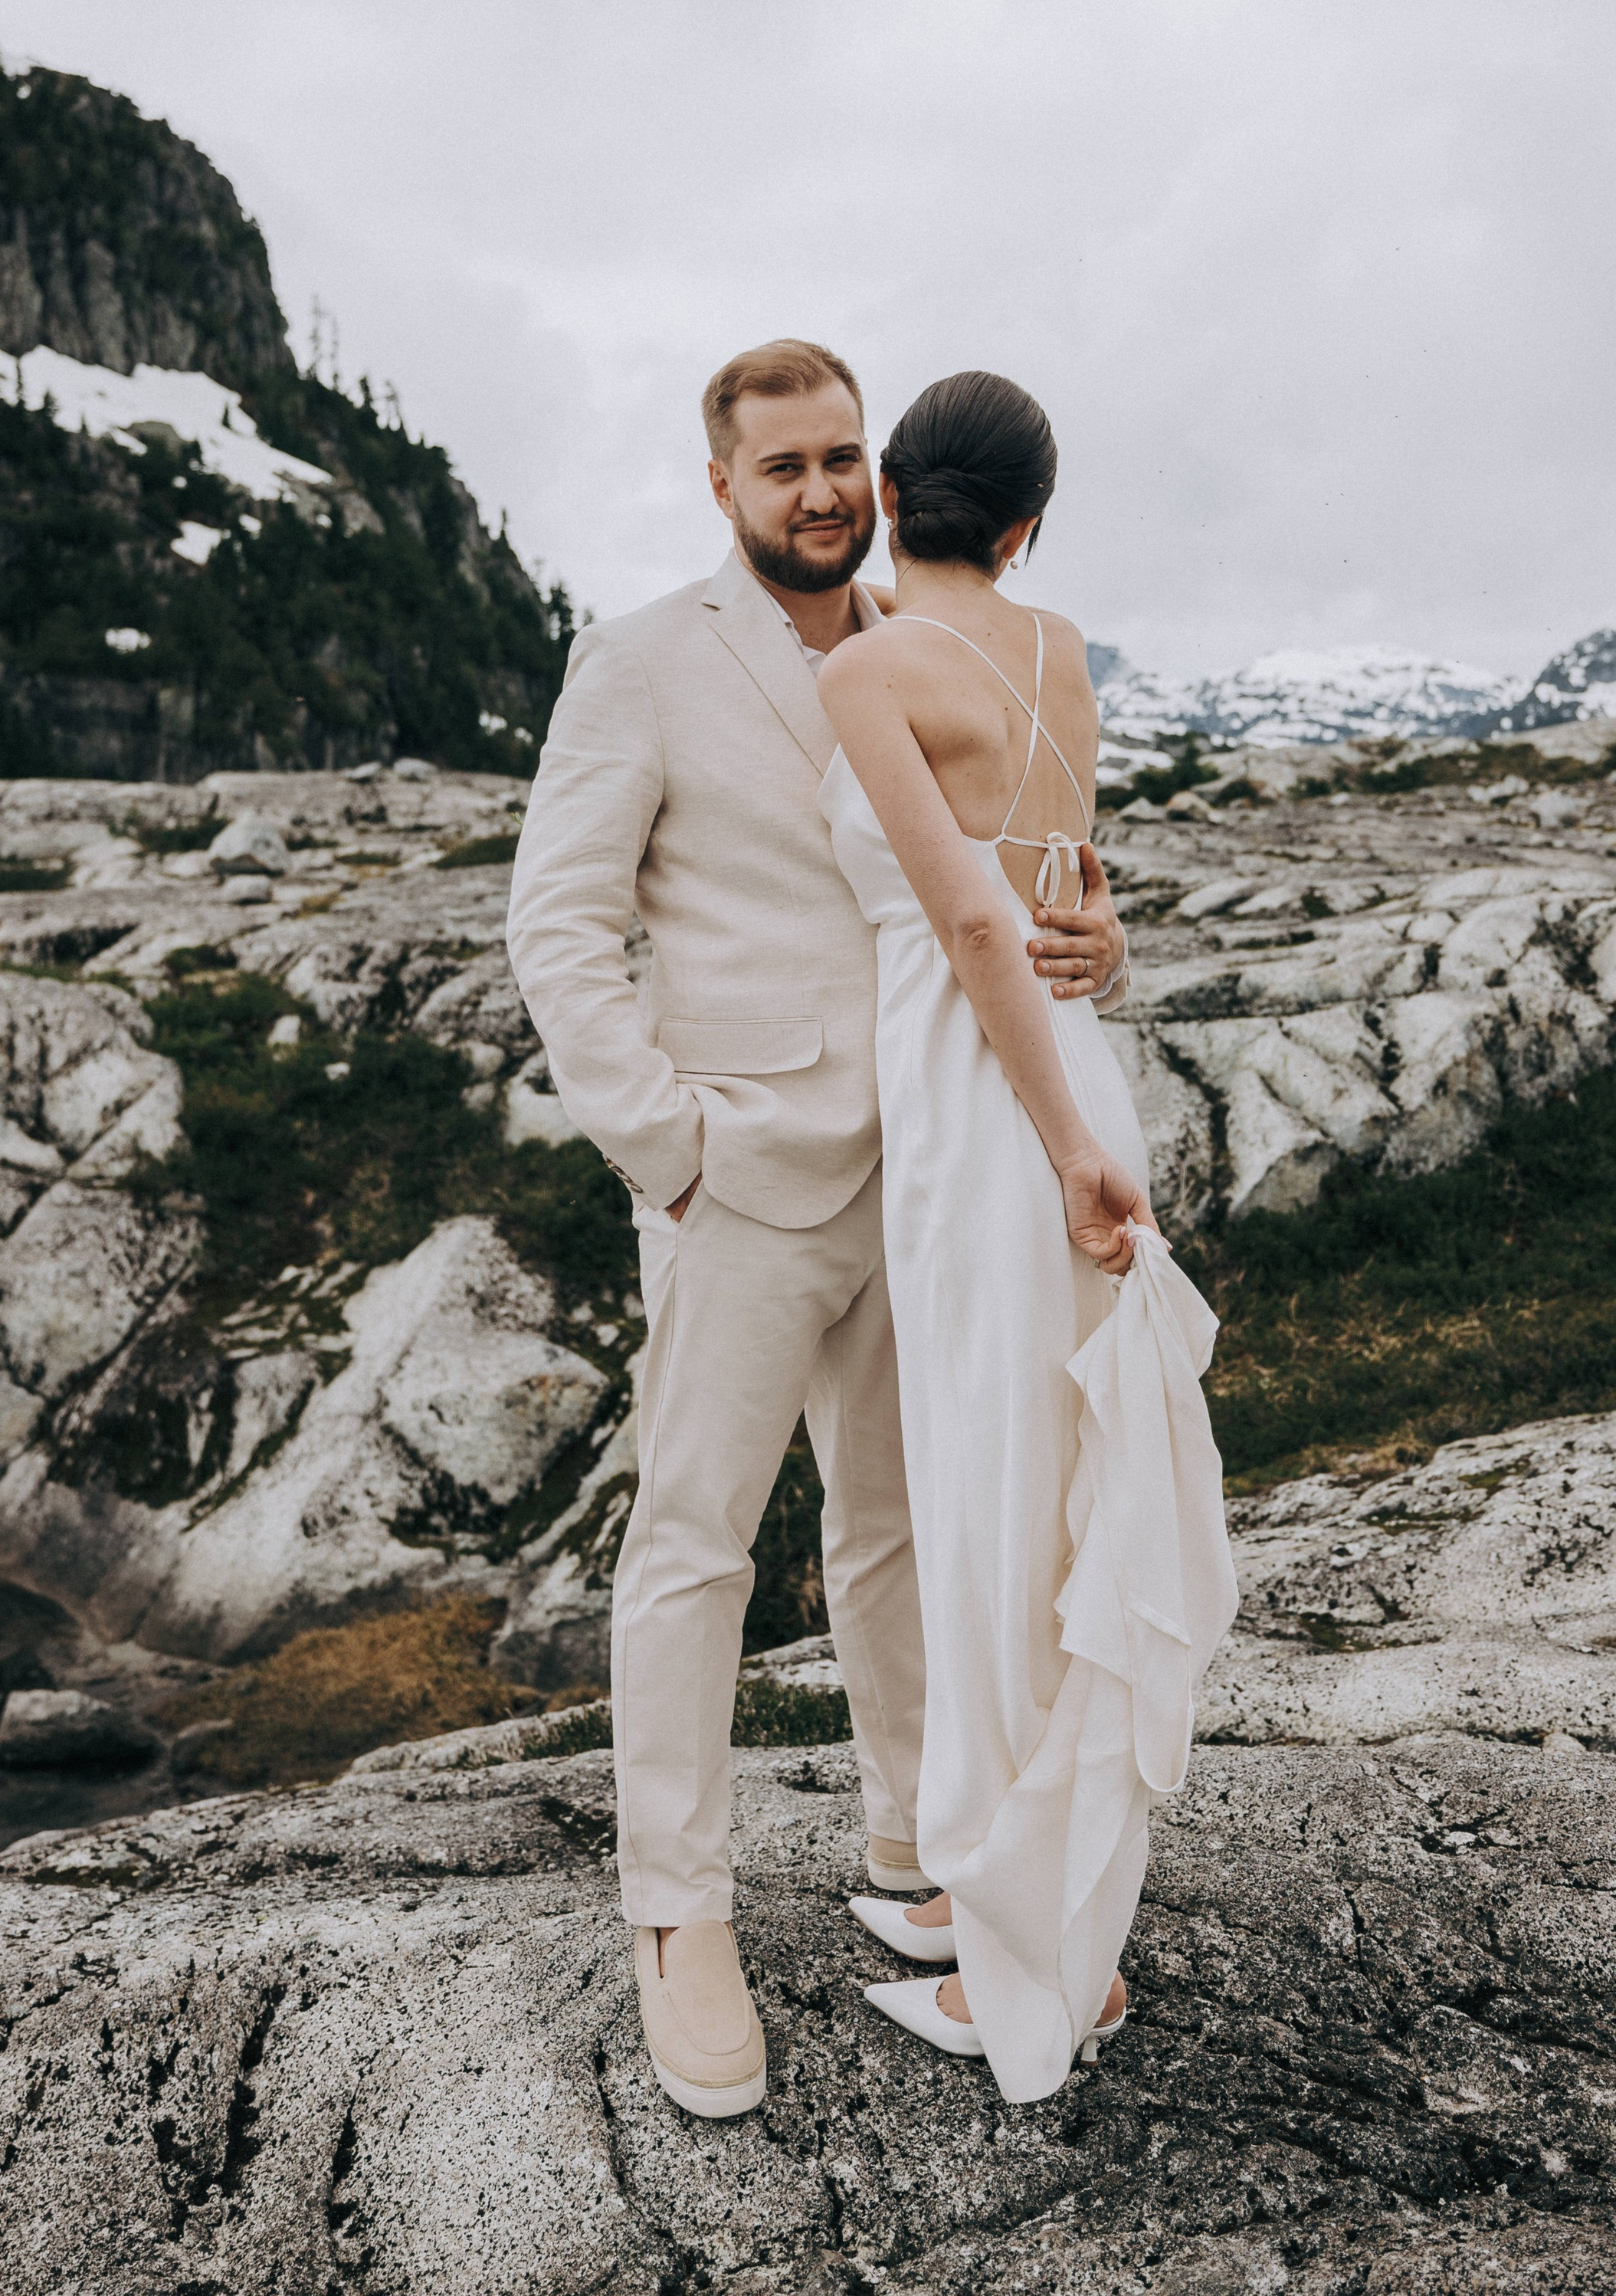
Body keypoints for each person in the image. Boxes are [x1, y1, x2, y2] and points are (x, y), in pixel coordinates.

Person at [505, 341, 1130, 2118]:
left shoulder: (914, 643)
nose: (820, 489)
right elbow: (555, 927)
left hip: (933, 1174)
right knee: (695, 1544)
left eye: (841, 455)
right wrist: (669, 1152)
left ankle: (914, 1841)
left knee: (902, 1532)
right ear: (720, 484)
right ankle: (674, 1915)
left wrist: (1100, 949)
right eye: (780, 464)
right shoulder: (638, 662)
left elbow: (1008, 888)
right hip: (741, 1175)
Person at [818, 369, 1238, 2104]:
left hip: (1002, 1128)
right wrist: (1097, 1041)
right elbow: (1075, 901)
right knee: (1046, 1505)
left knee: (998, 1515)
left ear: (893, 495)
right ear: (1024, 521)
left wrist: (1063, 1147)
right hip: (1061, 1091)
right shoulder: (1058, 648)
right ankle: (1018, 1897)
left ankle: (1033, 1973)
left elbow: (985, 926)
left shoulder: (862, 666)